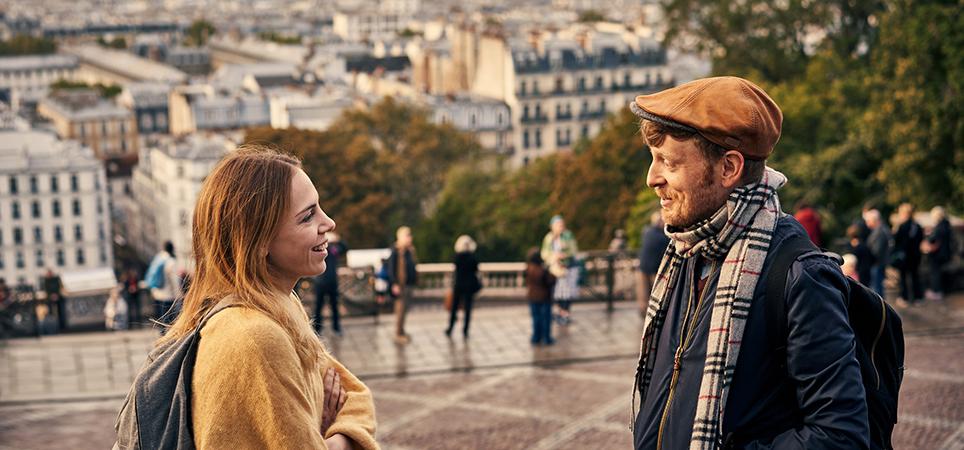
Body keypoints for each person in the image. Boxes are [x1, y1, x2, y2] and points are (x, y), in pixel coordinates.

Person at [629, 77, 867, 449]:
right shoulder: (688, 250)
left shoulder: (800, 276)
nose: (652, 179)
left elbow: (841, 435)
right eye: (653, 159)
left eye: (668, 163)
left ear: (729, 168)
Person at [151, 147, 378, 449]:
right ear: (258, 241)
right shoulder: (256, 337)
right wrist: (335, 439)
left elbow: (355, 395)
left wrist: (324, 433)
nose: (329, 223)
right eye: (308, 216)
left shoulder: (276, 305)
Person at [541, 215, 579, 324]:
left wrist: (564, 255)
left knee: (567, 293)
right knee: (557, 292)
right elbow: (544, 253)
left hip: (568, 268)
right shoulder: (549, 238)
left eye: (561, 224)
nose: (560, 227)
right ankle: (560, 312)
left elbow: (573, 250)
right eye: (558, 225)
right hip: (555, 269)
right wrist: (553, 256)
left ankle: (565, 313)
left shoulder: (568, 236)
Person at [386, 226, 417, 344]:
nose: (410, 238)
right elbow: (391, 269)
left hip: (408, 284)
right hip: (400, 285)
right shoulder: (395, 250)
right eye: (407, 236)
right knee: (400, 310)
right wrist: (394, 284)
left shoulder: (409, 250)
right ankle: (398, 333)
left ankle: (402, 331)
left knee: (405, 310)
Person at [636, 212, 670, 317]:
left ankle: (645, 314)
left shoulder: (647, 232)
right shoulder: (661, 236)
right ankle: (651, 315)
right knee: (655, 295)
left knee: (645, 295)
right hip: (653, 269)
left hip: (645, 268)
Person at [447, 235, 481, 339]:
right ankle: (465, 330)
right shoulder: (472, 257)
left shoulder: (457, 257)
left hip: (459, 285)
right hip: (469, 286)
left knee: (454, 307)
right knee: (468, 309)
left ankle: (450, 327)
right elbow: (476, 269)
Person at [314, 232, 347, 336]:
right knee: (318, 307)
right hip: (320, 282)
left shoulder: (334, 249)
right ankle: (317, 329)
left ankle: (336, 328)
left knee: (334, 307)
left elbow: (345, 248)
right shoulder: (320, 247)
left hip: (333, 282)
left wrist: (337, 239)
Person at [146, 241, 182, 330]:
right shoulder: (171, 261)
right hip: (167, 295)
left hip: (157, 293)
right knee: (168, 318)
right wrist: (179, 293)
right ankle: (167, 336)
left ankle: (162, 335)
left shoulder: (158, 258)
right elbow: (174, 279)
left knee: (160, 317)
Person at [893, 203, 924, 307]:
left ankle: (904, 298)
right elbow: (920, 240)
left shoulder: (902, 226)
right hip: (915, 256)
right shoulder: (917, 226)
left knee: (903, 278)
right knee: (915, 277)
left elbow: (897, 242)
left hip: (904, 257)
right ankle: (918, 298)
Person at [526, 248, 556, 345]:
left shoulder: (528, 268)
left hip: (532, 297)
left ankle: (536, 337)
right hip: (544, 297)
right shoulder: (542, 270)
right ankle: (546, 338)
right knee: (546, 319)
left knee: (536, 318)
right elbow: (550, 281)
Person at [923, 206, 954, 301]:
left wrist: (927, 247)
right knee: (937, 273)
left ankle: (936, 292)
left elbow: (936, 242)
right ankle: (938, 291)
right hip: (944, 253)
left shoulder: (940, 227)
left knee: (935, 273)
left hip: (937, 255)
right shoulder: (946, 225)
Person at [865, 209, 892, 298]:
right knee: (878, 286)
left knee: (877, 288)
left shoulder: (879, 231)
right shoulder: (881, 229)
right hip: (879, 262)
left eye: (868, 221)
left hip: (877, 263)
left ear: (874, 220)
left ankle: (879, 308)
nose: (867, 224)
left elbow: (876, 251)